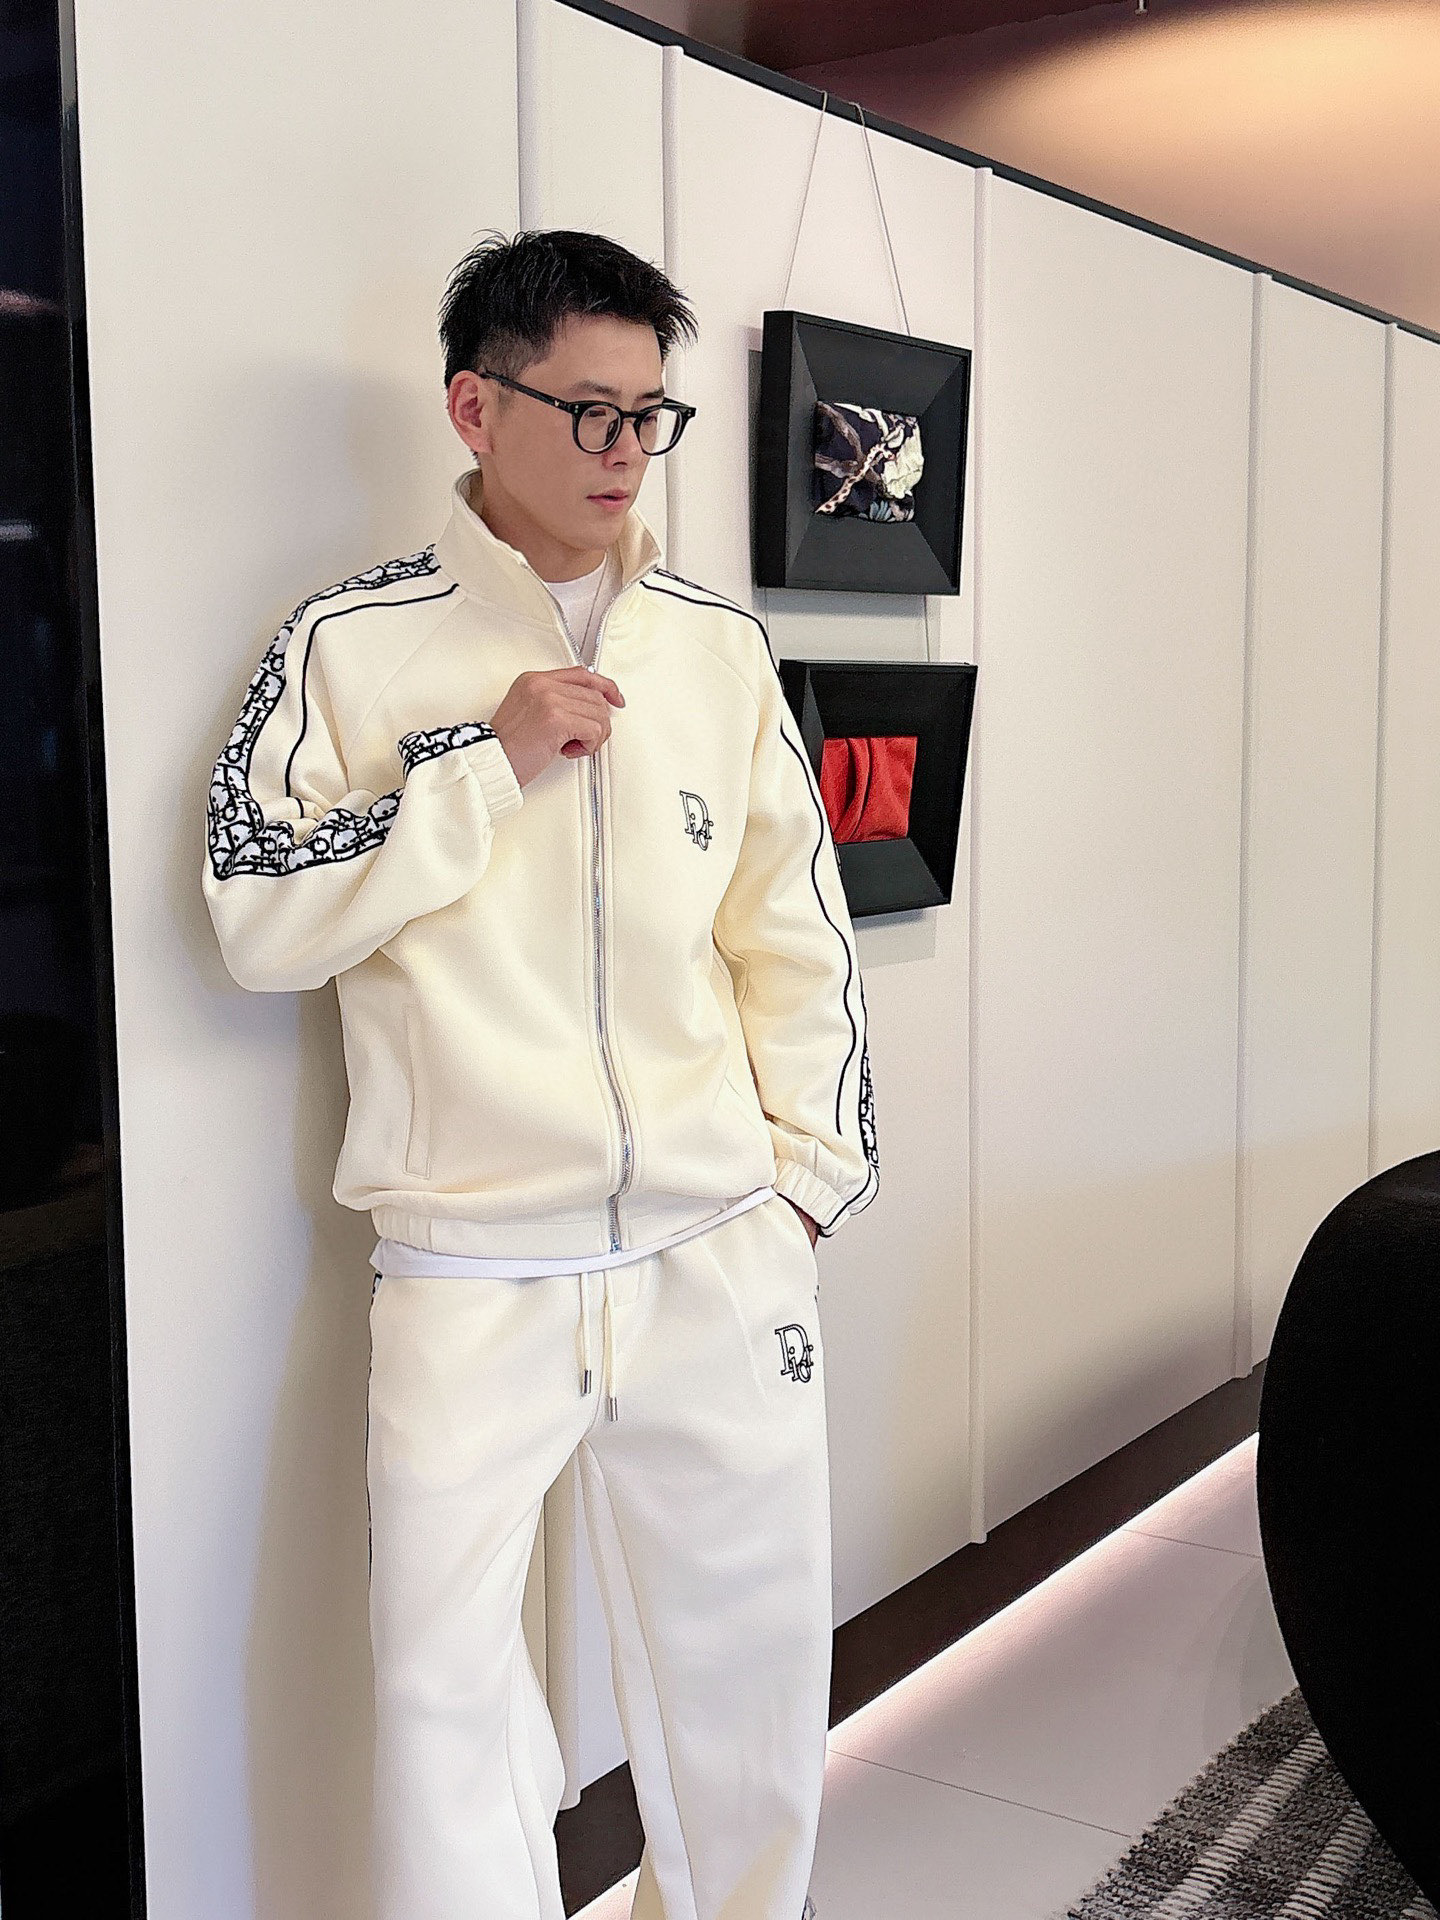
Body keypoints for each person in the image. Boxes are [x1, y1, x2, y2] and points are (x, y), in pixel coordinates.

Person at [203, 228, 878, 1920]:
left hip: (714, 1243)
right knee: (442, 1705)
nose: (624, 451)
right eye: (587, 410)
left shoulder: (715, 648)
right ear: (473, 407)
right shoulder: (348, 645)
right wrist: (480, 766)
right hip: (470, 1258)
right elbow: (254, 907)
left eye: (649, 414)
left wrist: (806, 1183)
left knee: (746, 1689)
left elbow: (793, 931)